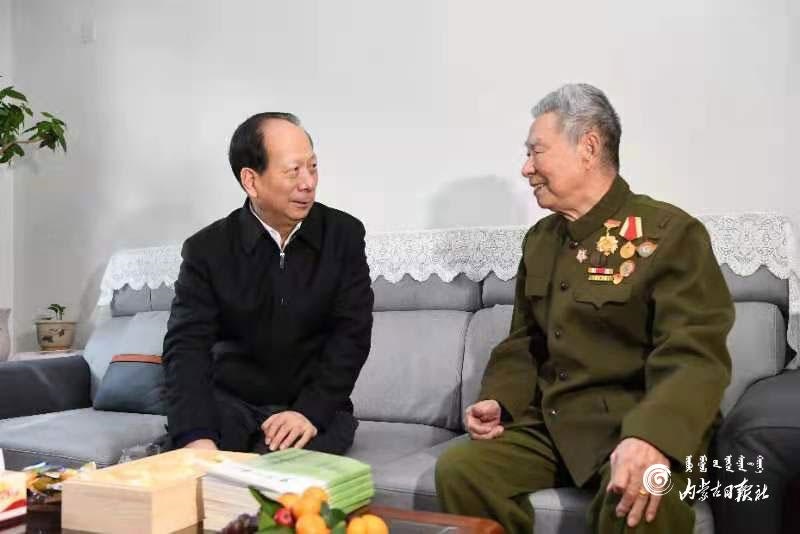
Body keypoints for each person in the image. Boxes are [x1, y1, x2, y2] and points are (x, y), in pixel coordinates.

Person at [435, 84, 734, 533]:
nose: (526, 168)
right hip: (555, 422)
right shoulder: (540, 241)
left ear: (589, 147)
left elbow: (695, 354)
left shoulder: (670, 233)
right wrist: (499, 399)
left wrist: (651, 436)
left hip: (639, 421)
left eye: (536, 152)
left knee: (637, 496)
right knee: (461, 470)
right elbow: (526, 340)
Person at [162, 112, 373, 455]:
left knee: (278, 473)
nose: (308, 182)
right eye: (293, 170)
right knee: (197, 469)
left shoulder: (343, 235)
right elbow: (186, 347)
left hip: (311, 408)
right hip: (230, 404)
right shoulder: (207, 249)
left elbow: (352, 334)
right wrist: (195, 434)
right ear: (251, 181)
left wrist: (310, 411)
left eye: (313, 167)